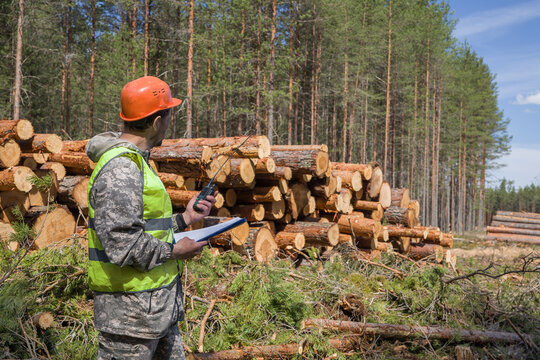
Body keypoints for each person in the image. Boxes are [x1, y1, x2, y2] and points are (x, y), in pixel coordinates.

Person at [86, 76, 216, 359]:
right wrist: (175, 250)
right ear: (157, 121)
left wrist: (185, 219)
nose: (170, 122)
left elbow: (144, 226)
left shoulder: (137, 162)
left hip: (157, 312)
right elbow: (124, 244)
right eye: (169, 114)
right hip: (129, 321)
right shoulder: (121, 169)